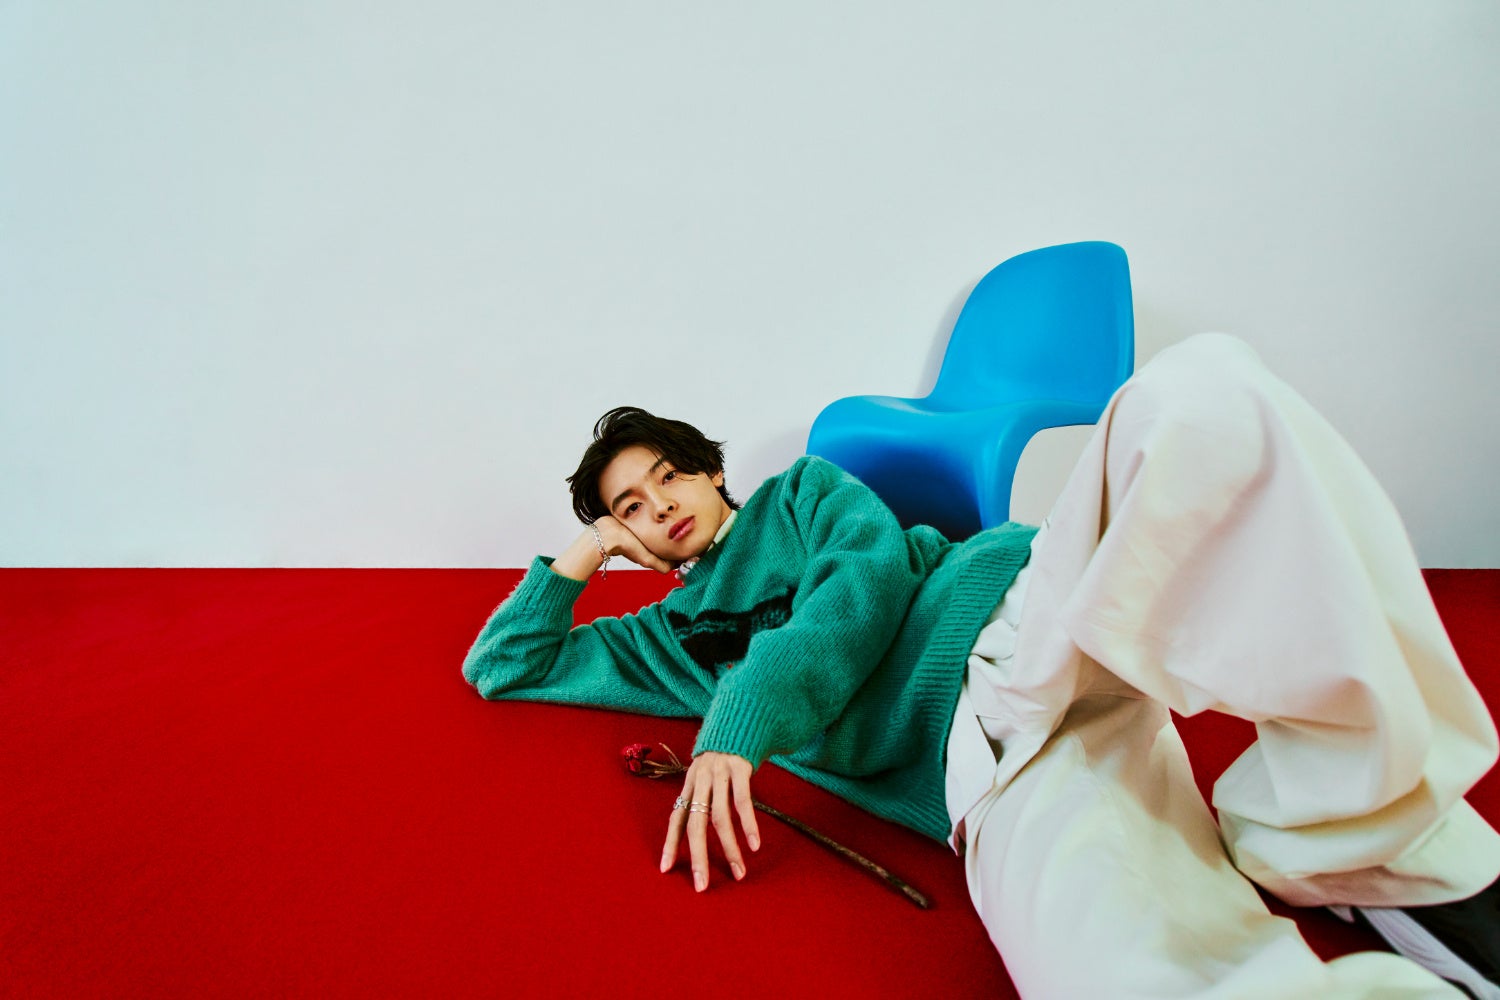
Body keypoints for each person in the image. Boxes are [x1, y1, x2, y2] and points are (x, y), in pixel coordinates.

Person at [463, 333, 1499, 999]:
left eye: (669, 477)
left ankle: (1363, 838)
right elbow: (504, 666)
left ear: (711, 471)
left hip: (1017, 618)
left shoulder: (806, 494)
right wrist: (584, 553)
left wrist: (737, 726)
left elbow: (857, 595)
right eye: (632, 508)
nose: (661, 507)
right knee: (1112, 974)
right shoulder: (661, 640)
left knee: (1204, 394)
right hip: (979, 772)